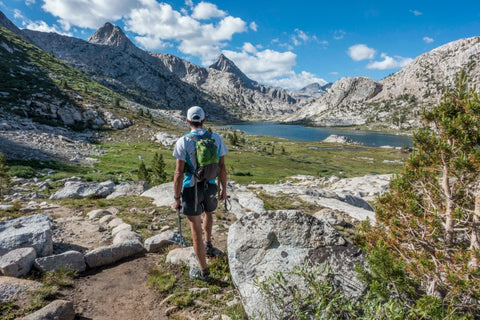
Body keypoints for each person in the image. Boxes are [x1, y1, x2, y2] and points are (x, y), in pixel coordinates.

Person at [172, 106, 228, 281]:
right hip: (210, 186)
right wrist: (223, 188)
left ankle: (204, 272)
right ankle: (209, 244)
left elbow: (179, 173)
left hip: (191, 189)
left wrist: (176, 198)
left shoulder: (183, 141)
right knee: (208, 213)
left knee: (195, 229)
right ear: (204, 120)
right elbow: (222, 167)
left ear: (188, 121)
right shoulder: (216, 138)